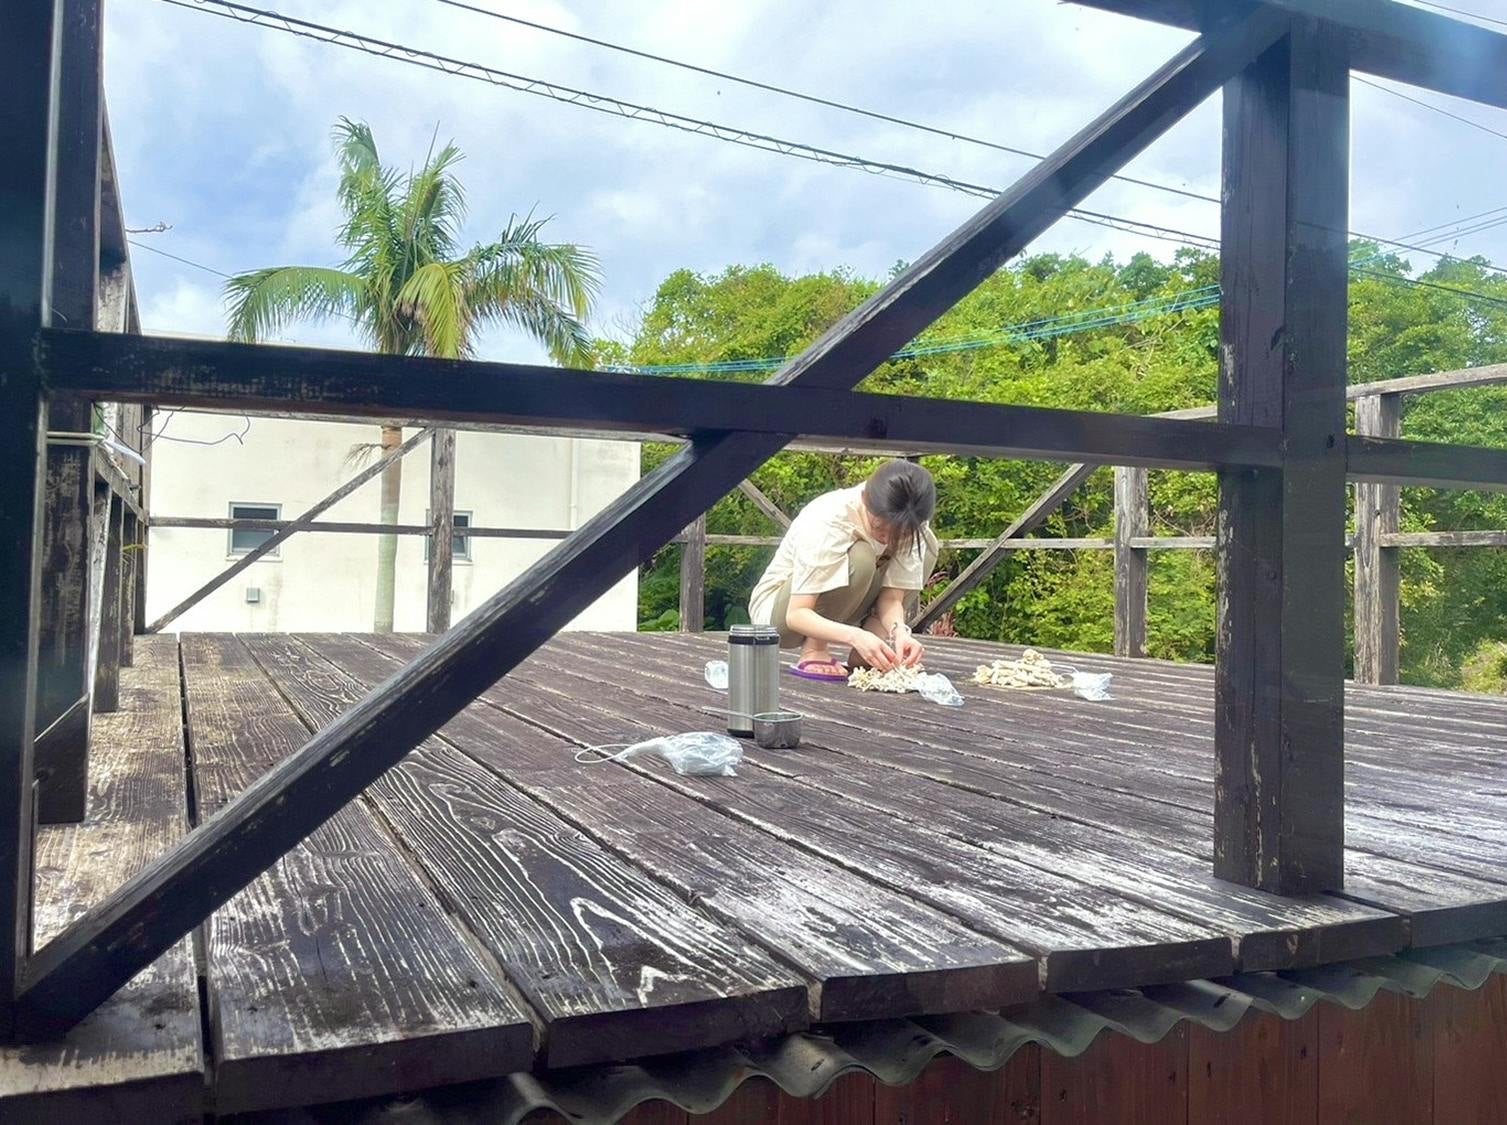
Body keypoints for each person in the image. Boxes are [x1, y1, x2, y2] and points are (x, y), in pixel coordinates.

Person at [748, 460, 939, 681]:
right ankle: (815, 648)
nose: (887, 539)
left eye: (900, 534)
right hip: (780, 619)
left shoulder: (912, 522)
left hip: (847, 611)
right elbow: (796, 614)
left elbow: (892, 597)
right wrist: (855, 636)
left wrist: (899, 632)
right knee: (861, 557)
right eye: (879, 527)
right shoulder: (831, 517)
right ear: (865, 499)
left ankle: (873, 650)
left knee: (927, 545)